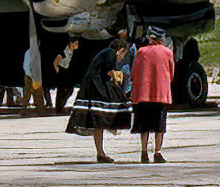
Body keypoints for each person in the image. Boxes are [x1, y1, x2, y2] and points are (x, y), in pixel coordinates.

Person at [66, 36, 132, 163]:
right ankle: (102, 149)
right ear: (121, 50)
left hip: (96, 85)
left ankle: (100, 152)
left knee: (98, 121)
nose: (122, 58)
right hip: (95, 87)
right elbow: (110, 72)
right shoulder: (109, 53)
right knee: (100, 115)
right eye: (123, 54)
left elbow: (109, 72)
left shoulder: (106, 53)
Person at [130, 29, 174, 163]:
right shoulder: (167, 52)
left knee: (144, 125)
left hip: (143, 93)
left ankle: (144, 152)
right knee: (159, 125)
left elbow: (134, 73)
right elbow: (171, 73)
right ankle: (157, 152)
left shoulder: (141, 52)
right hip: (160, 92)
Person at [51, 38, 81, 112]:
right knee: (61, 90)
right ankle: (59, 108)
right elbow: (55, 62)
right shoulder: (64, 52)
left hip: (67, 72)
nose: (77, 45)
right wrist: (58, 70)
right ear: (71, 43)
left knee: (69, 90)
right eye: (76, 43)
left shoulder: (72, 51)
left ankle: (61, 106)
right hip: (62, 71)